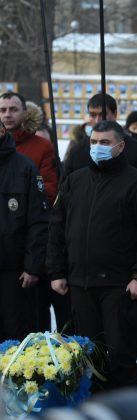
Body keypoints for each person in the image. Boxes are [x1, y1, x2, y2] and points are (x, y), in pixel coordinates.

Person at [47, 120, 137, 390]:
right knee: (88, 356)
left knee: (121, 357)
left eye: (105, 143)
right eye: (93, 142)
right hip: (81, 283)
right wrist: (56, 272)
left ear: (120, 146)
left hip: (119, 285)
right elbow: (56, 227)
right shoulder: (75, 181)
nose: (97, 147)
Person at [0, 124, 48, 341]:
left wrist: (32, 266)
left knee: (15, 334)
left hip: (15, 271)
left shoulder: (24, 168)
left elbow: (38, 221)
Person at [62, 93, 137, 184]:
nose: (97, 120)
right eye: (93, 115)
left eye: (102, 114)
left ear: (115, 114)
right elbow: (65, 187)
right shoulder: (77, 151)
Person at [0, 92, 57, 205]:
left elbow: (48, 190)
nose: (7, 114)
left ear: (25, 113)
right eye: (2, 110)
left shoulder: (43, 146)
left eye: (14, 109)